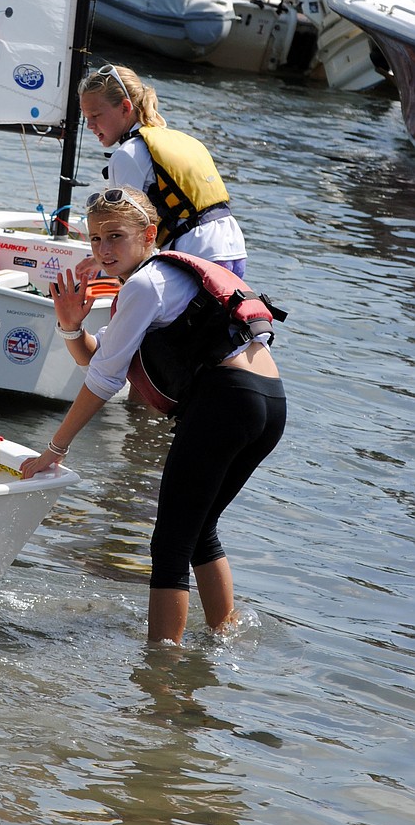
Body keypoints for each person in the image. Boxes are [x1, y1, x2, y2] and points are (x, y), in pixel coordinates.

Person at [20, 187, 286, 645]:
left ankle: (162, 670)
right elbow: (102, 357)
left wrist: (54, 450)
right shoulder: (165, 277)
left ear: (149, 234)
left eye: (116, 237)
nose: (103, 250)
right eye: (95, 239)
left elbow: (103, 381)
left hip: (225, 402)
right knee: (200, 529)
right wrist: (70, 326)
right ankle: (225, 636)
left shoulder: (144, 285)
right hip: (269, 403)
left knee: (169, 544)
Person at [78, 62, 247, 276]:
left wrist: (100, 263)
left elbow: (121, 229)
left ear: (125, 107)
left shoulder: (127, 154)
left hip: (195, 256)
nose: (90, 125)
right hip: (233, 251)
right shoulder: (177, 139)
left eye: (95, 115)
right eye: (86, 118)